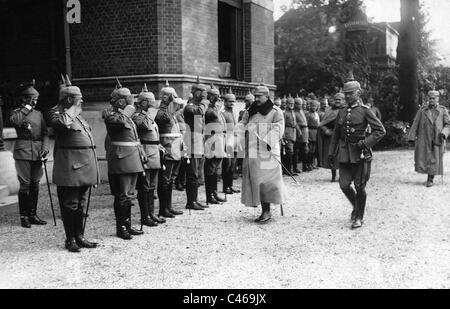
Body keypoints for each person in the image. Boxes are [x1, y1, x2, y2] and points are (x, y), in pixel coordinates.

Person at [47, 75, 99, 252]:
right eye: (78, 98)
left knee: (81, 203)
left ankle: (80, 236)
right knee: (70, 203)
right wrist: (72, 108)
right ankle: (70, 239)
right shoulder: (56, 113)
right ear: (69, 99)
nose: (82, 101)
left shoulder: (78, 116)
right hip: (69, 167)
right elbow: (61, 124)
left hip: (83, 166)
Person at [328, 79, 386, 229]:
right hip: (344, 154)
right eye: (345, 94)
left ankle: (359, 217)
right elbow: (335, 134)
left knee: (360, 187)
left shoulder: (366, 111)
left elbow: (380, 131)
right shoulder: (341, 112)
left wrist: (366, 143)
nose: (346, 97)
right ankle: (357, 206)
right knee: (344, 185)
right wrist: (331, 153)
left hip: (360, 154)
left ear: (358, 93)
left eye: (350, 94)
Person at [237, 85, 286, 223]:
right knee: (256, 179)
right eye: (255, 96)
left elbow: (279, 126)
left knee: (267, 181)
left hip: (268, 149)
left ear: (267, 96)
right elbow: (242, 123)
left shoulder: (276, 111)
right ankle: (262, 208)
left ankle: (267, 211)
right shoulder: (251, 110)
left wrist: (268, 140)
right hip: (253, 149)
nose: (256, 99)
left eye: (259, 96)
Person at [103, 81, 145, 240]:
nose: (132, 100)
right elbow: (118, 122)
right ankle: (121, 227)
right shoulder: (109, 113)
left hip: (132, 157)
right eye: (129, 98)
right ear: (120, 101)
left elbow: (134, 136)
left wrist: (141, 152)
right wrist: (129, 109)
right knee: (122, 195)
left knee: (129, 194)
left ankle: (127, 224)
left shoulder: (128, 114)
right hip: (121, 158)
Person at [10, 81, 49, 228]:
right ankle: (24, 216)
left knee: (35, 184)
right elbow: (16, 121)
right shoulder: (17, 113)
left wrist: (45, 148)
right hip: (23, 152)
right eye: (33, 99)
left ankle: (33, 214)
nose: (35, 102)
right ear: (25, 99)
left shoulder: (38, 114)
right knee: (25, 184)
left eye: (36, 99)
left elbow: (45, 133)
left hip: (37, 152)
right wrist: (27, 107)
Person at [132, 84, 165, 227]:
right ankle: (145, 216)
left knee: (152, 186)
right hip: (145, 151)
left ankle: (151, 213)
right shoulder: (137, 116)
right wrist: (150, 112)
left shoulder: (149, 115)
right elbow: (143, 126)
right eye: (150, 102)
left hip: (154, 152)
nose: (153, 105)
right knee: (144, 186)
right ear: (143, 103)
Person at [408, 90, 450, 187]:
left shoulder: (443, 110)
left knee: (434, 158)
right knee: (425, 158)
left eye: (433, 98)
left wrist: (444, 133)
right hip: (424, 138)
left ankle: (430, 178)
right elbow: (415, 124)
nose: (431, 100)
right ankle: (429, 175)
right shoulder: (422, 111)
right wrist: (411, 137)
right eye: (430, 98)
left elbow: (448, 124)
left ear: (438, 99)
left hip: (437, 138)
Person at [155, 81, 185, 217]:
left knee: (171, 179)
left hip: (175, 149)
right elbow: (164, 118)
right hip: (167, 149)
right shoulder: (161, 112)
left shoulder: (171, 111)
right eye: (172, 96)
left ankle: (169, 206)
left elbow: (181, 106)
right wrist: (168, 102)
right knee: (165, 179)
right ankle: (163, 209)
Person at [183, 78, 209, 210]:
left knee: (197, 173)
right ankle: (190, 202)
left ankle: (194, 200)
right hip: (192, 143)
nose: (204, 95)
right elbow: (200, 112)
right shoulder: (189, 107)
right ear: (196, 93)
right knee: (192, 173)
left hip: (198, 143)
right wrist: (204, 102)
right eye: (202, 92)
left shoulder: (197, 107)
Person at [203, 84, 227, 204]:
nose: (217, 99)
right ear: (210, 97)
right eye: (215, 96)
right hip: (211, 139)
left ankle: (214, 192)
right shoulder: (209, 109)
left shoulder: (215, 108)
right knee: (210, 168)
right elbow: (213, 116)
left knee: (215, 167)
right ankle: (209, 195)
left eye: (218, 96)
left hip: (218, 138)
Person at [318, 93, 345, 182]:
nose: (337, 101)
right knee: (332, 156)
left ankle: (342, 176)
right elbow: (322, 124)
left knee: (343, 157)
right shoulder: (329, 111)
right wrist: (326, 131)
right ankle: (333, 176)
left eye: (339, 100)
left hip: (343, 137)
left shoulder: (346, 110)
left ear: (343, 101)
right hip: (332, 137)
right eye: (336, 100)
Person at [221, 88, 240, 195]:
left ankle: (230, 185)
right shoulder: (223, 113)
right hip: (227, 141)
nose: (232, 103)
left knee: (233, 165)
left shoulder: (234, 112)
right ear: (225, 102)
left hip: (235, 140)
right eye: (230, 101)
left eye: (233, 101)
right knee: (227, 165)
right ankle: (225, 187)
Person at [283, 95, 300, 176]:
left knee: (292, 152)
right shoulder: (285, 113)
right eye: (290, 103)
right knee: (289, 152)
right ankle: (288, 170)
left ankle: (291, 168)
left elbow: (295, 122)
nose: (291, 105)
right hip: (287, 132)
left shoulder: (293, 112)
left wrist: (298, 130)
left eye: (293, 103)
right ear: (286, 104)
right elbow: (282, 125)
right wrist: (283, 136)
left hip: (293, 133)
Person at [293, 95, 309, 174]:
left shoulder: (302, 111)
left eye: (301, 104)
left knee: (305, 150)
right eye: (298, 104)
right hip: (298, 132)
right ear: (295, 104)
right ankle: (295, 167)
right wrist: (299, 130)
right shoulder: (294, 112)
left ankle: (305, 165)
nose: (300, 106)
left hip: (305, 131)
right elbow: (295, 123)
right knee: (296, 150)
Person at [305, 100, 320, 171]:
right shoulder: (308, 114)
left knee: (314, 150)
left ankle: (312, 163)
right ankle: (307, 164)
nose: (314, 107)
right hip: (310, 132)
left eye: (315, 106)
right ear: (310, 106)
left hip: (316, 132)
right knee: (310, 150)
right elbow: (306, 125)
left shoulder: (316, 114)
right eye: (313, 106)